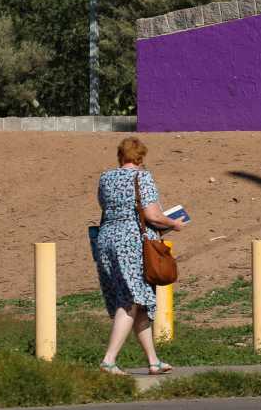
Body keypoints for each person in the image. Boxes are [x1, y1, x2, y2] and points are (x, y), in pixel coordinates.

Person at [93, 137, 186, 374]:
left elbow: (105, 207)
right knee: (131, 299)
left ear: (120, 155)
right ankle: (109, 360)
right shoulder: (142, 177)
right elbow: (153, 215)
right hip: (132, 243)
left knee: (139, 303)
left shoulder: (105, 178)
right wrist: (173, 223)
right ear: (140, 157)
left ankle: (153, 361)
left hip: (106, 240)